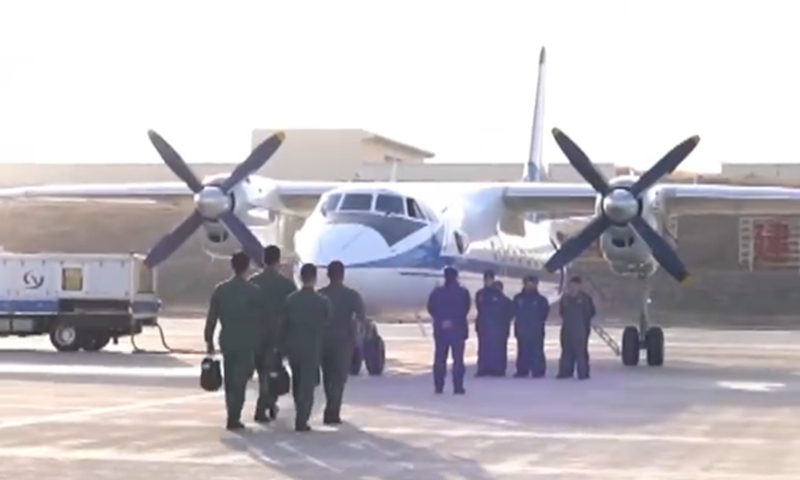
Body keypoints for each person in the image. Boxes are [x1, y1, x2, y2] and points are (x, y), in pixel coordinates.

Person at [204, 251, 264, 431]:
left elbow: (211, 318)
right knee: (242, 381)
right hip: (247, 342)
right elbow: (261, 320)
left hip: (228, 341)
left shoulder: (221, 290)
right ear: (247, 267)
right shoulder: (254, 291)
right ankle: (234, 415)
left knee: (230, 380)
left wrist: (209, 341)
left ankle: (232, 414)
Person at [247, 245, 298, 423]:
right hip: (277, 336)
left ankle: (268, 403)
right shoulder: (287, 285)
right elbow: (293, 312)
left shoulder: (252, 282)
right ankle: (264, 405)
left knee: (263, 373)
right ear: (278, 260)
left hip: (255, 335)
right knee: (271, 371)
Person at [317, 260, 370, 424]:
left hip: (324, 340)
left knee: (327, 376)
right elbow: (362, 318)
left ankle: (330, 406)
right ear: (343, 275)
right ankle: (333, 411)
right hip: (343, 341)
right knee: (339, 378)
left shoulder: (320, 294)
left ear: (328, 275)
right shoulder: (352, 295)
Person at [281, 263, 331, 431]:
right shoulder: (322, 302)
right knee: (307, 386)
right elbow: (326, 325)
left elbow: (284, 326)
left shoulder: (290, 300)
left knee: (297, 381)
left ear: (301, 278)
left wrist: (282, 348)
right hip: (312, 349)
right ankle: (302, 419)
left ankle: (299, 410)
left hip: (294, 348)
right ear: (315, 279)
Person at [426, 266, 471, 394]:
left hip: (441, 330)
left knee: (440, 359)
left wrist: (441, 320)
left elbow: (431, 308)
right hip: (457, 329)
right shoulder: (462, 292)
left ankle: (439, 386)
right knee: (458, 360)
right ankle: (458, 387)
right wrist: (453, 321)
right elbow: (465, 309)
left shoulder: (437, 292)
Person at [556, 276, 596, 380]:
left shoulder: (585, 299)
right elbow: (562, 312)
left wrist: (583, 326)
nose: (573, 287)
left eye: (575, 285)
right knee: (566, 352)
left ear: (579, 286)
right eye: (571, 285)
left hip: (580, 329)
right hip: (567, 329)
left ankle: (583, 373)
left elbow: (590, 313)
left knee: (581, 353)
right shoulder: (565, 299)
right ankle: (565, 372)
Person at [512, 275, 550, 378]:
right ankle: (522, 370)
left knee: (537, 351)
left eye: (533, 283)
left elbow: (544, 313)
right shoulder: (518, 298)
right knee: (522, 350)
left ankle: (538, 370)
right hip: (522, 329)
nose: (530, 285)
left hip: (536, 329)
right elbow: (513, 311)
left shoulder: (541, 300)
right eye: (528, 283)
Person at [474, 270, 510, 377]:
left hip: (498, 327)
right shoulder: (480, 293)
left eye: (490, 279)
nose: (488, 281)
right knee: (483, 348)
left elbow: (508, 310)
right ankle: (483, 368)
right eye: (486, 279)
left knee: (498, 349)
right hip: (484, 325)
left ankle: (498, 369)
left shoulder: (499, 296)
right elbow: (479, 307)